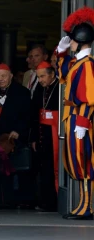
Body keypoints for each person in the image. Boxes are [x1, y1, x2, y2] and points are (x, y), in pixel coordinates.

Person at [56, 6, 94, 220]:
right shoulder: (77, 62)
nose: (69, 43)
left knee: (84, 162)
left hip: (80, 119)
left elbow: (90, 97)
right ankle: (82, 205)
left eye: (71, 40)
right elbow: (62, 73)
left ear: (79, 40)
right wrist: (60, 52)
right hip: (72, 118)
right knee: (75, 162)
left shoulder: (87, 65)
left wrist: (82, 122)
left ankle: (87, 207)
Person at [0, 63, 31, 208]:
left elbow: (27, 116)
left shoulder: (22, 93)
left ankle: (14, 200)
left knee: (15, 170)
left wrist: (18, 131)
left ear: (10, 76)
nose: (0, 79)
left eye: (3, 76)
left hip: (12, 137)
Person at [30, 61, 59, 212]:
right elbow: (34, 115)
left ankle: (56, 201)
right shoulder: (39, 90)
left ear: (52, 74)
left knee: (54, 168)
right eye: (38, 76)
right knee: (43, 169)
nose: (40, 80)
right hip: (42, 134)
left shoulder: (60, 87)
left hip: (55, 134)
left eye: (43, 76)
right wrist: (34, 137)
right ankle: (45, 201)